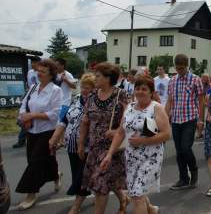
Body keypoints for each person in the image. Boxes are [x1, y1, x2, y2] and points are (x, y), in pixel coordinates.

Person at [101, 76, 171, 214]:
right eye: (137, 88)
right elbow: (120, 132)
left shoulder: (156, 108)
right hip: (132, 157)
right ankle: (150, 209)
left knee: (137, 195)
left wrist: (143, 141)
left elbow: (166, 134)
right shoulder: (130, 107)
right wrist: (109, 154)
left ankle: (147, 209)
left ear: (151, 92)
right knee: (135, 190)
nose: (140, 92)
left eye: (144, 89)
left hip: (151, 157)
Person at [78, 63, 129, 214]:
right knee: (108, 182)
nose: (95, 78)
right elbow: (85, 121)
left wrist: (117, 131)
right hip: (94, 148)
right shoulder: (92, 95)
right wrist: (81, 144)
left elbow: (128, 119)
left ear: (108, 78)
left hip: (112, 149)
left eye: (98, 76)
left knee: (100, 185)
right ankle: (124, 199)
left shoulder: (121, 95)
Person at [15, 59, 63, 210]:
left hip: (47, 132)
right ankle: (56, 175)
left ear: (51, 74)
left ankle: (31, 194)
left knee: (35, 162)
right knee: (42, 160)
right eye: (38, 70)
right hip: (32, 131)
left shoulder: (56, 90)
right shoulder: (33, 87)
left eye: (43, 71)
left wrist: (33, 116)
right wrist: (24, 116)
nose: (39, 73)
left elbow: (55, 114)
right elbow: (24, 105)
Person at [49, 73, 95, 214]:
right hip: (71, 146)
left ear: (95, 89)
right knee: (77, 174)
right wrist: (54, 138)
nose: (84, 90)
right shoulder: (75, 99)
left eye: (88, 88)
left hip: (88, 147)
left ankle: (76, 205)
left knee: (82, 176)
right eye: (83, 87)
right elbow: (64, 120)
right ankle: (122, 196)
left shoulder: (96, 102)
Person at [165, 54, 204, 190]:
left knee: (186, 148)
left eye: (181, 68)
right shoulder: (172, 80)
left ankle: (194, 171)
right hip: (175, 119)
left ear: (187, 66)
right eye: (177, 68)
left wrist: (200, 119)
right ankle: (183, 179)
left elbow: (200, 101)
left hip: (190, 118)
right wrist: (164, 118)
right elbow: (170, 100)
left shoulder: (195, 79)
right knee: (179, 151)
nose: (179, 70)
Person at [13, 57, 41, 149]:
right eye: (31, 62)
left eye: (34, 62)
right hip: (30, 96)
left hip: (39, 98)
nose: (32, 64)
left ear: (38, 63)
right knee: (25, 118)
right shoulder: (30, 72)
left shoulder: (41, 72)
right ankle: (22, 140)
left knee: (34, 120)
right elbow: (29, 86)